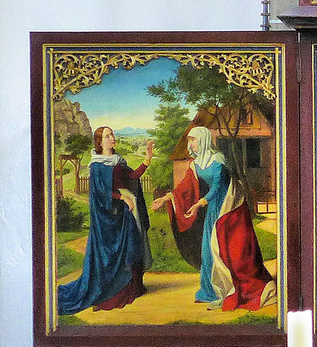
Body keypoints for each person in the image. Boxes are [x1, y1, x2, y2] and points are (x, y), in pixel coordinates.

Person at [153, 126, 275, 311]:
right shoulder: (195, 164)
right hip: (212, 210)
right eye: (189, 140)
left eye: (192, 140)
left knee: (230, 252)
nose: (190, 144)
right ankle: (214, 292)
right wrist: (165, 198)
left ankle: (234, 291)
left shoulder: (218, 159)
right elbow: (183, 187)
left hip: (229, 209)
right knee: (208, 251)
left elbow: (218, 186)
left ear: (202, 140)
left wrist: (199, 204)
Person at [57, 127, 154, 315]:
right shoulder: (97, 166)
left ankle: (131, 288)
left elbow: (132, 177)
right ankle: (112, 292)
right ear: (100, 142)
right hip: (109, 216)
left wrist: (147, 159)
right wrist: (121, 197)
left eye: (112, 134)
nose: (112, 138)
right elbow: (100, 193)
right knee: (111, 253)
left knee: (131, 246)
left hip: (126, 213)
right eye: (107, 136)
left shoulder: (118, 161)